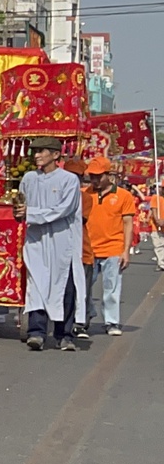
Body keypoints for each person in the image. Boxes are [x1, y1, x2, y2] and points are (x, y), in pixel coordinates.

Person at [19, 138, 86, 351]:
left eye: (41, 151)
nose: (37, 155)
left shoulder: (69, 180)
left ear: (56, 155)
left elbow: (64, 209)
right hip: (37, 240)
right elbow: (21, 204)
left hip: (62, 241)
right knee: (37, 285)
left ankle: (64, 334)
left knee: (64, 286)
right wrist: (19, 212)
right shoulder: (29, 178)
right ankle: (36, 332)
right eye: (35, 152)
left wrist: (31, 213)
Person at [81, 159, 136, 337]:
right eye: (92, 176)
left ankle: (112, 322)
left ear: (108, 175)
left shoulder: (123, 196)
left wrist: (126, 250)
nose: (94, 180)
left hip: (113, 248)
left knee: (111, 289)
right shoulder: (84, 194)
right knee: (84, 288)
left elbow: (128, 224)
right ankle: (84, 318)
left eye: (98, 176)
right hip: (88, 249)